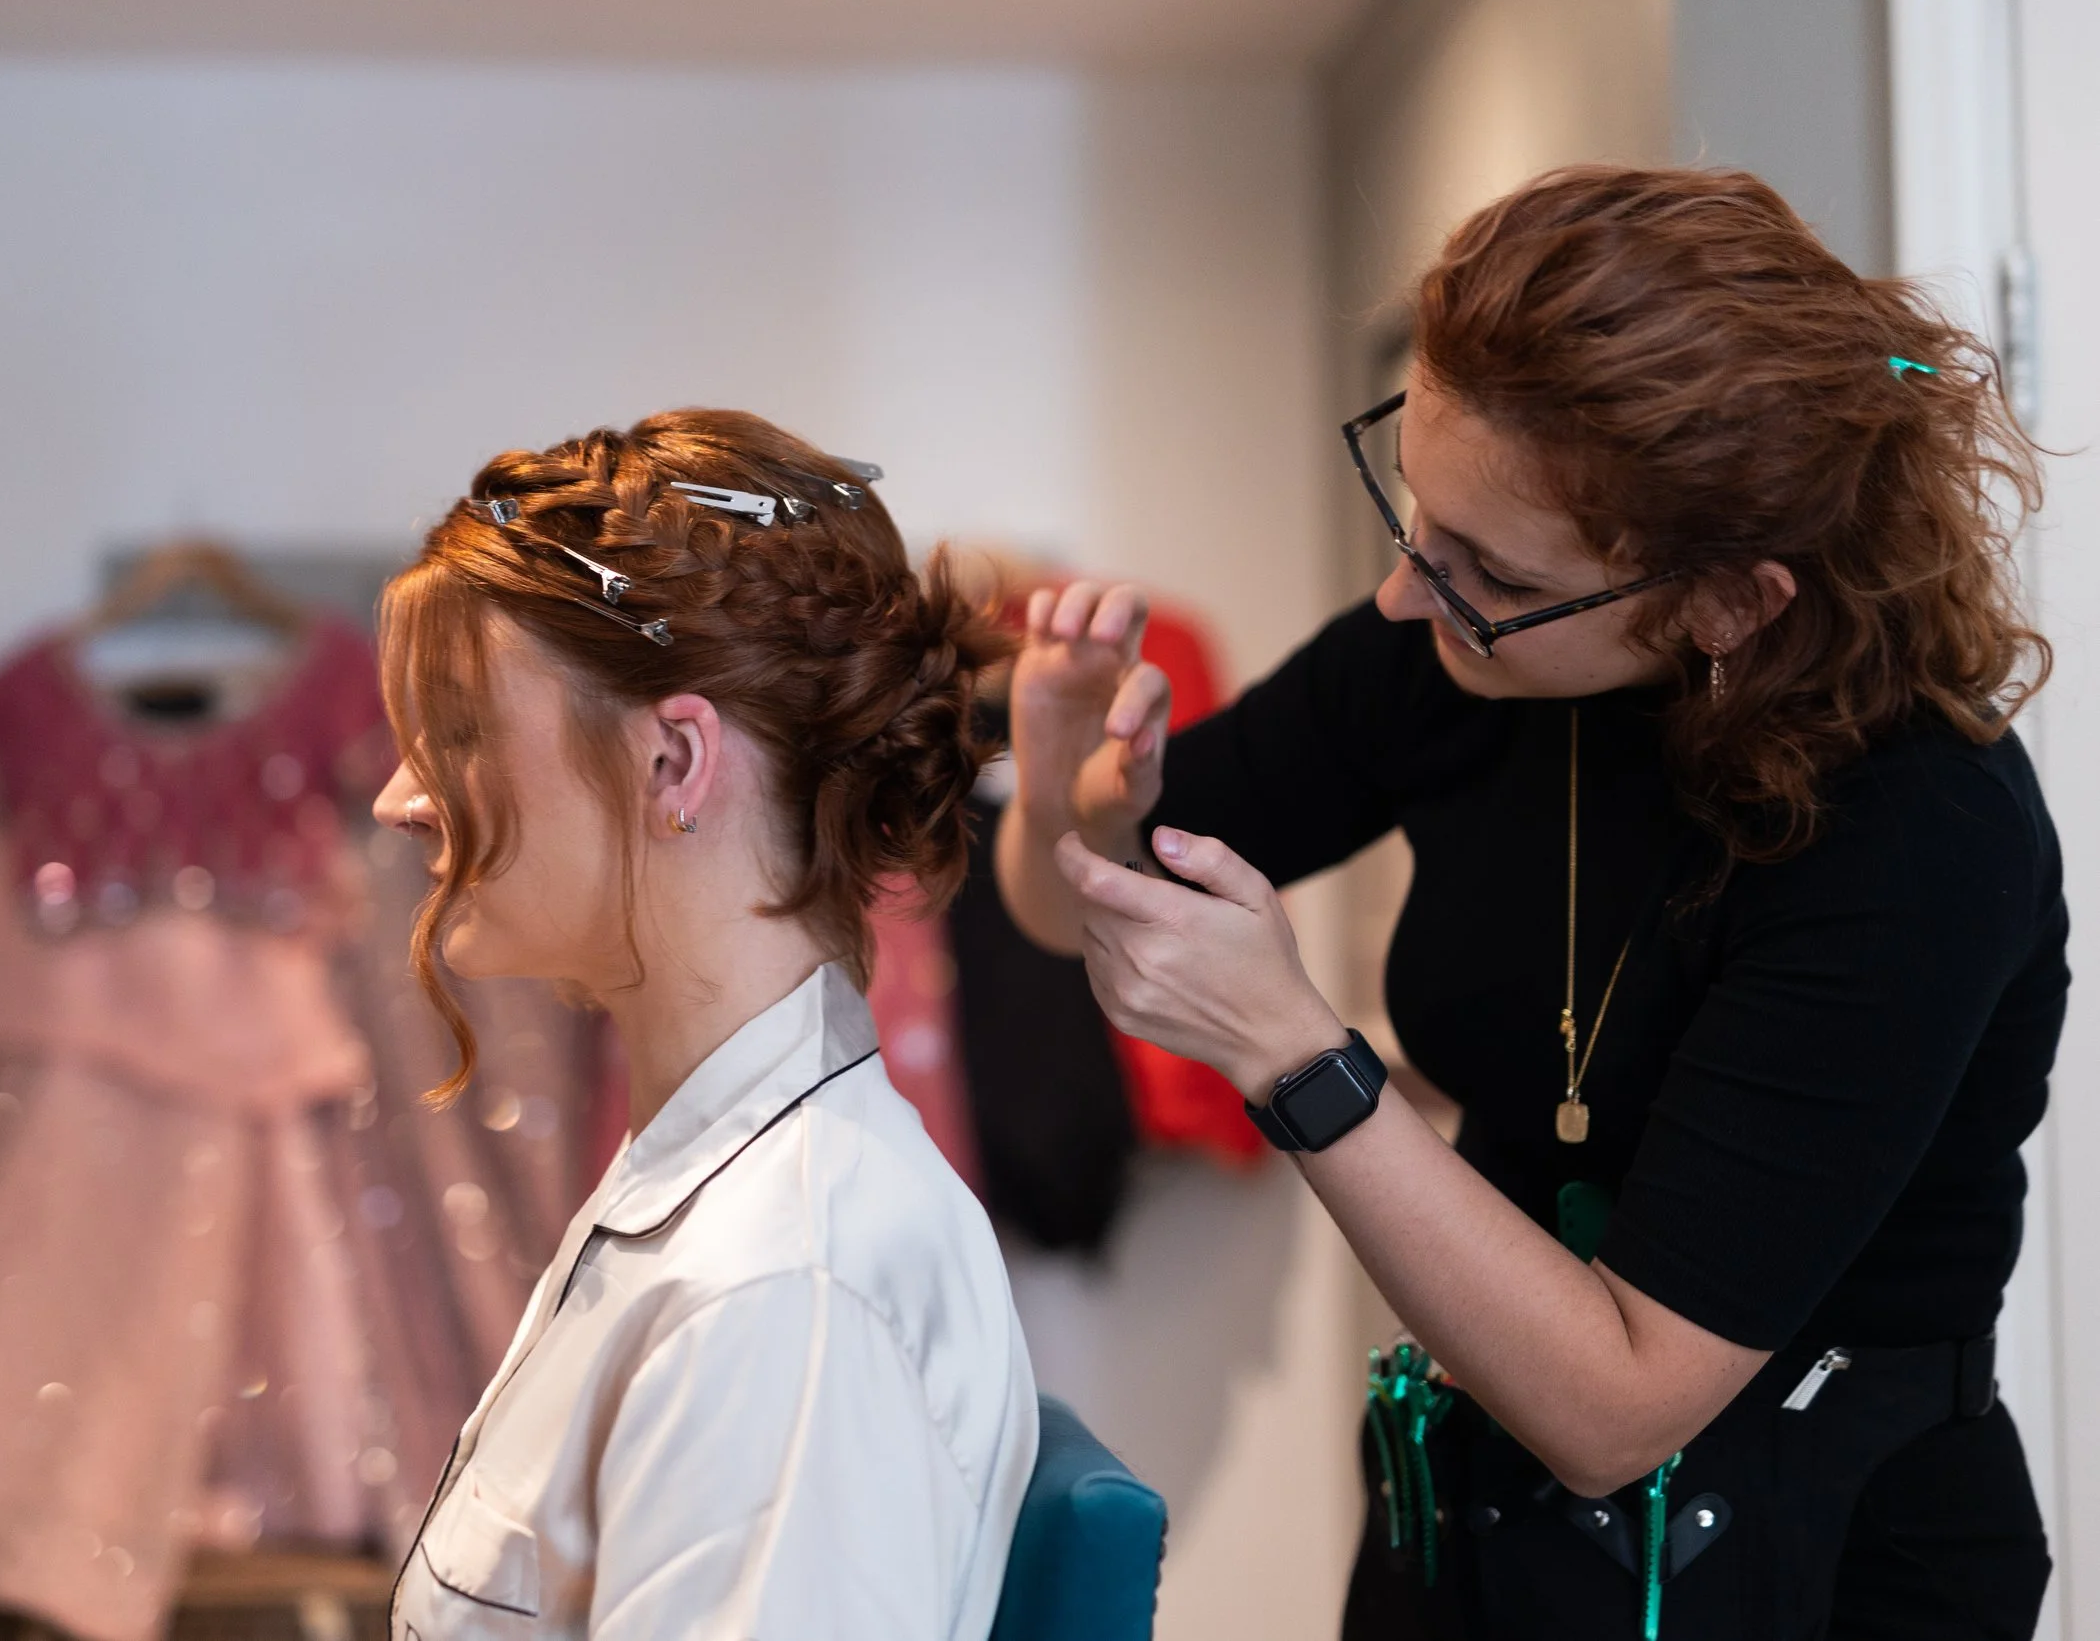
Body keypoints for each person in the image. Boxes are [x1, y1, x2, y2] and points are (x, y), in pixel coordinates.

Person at [997, 167, 2061, 1638]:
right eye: (1413, 512)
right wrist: (1067, 786)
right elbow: (1084, 907)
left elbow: (1617, 1403)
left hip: (1806, 1554)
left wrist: (1297, 1054)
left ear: (1729, 604)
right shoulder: (1465, 650)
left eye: (1482, 566)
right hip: (1479, 1519)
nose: (1402, 595)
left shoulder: (1917, 829)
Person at [374, 410, 1037, 1638]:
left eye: (457, 733)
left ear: (676, 760)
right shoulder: (715, 1185)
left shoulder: (784, 1286)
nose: (400, 795)